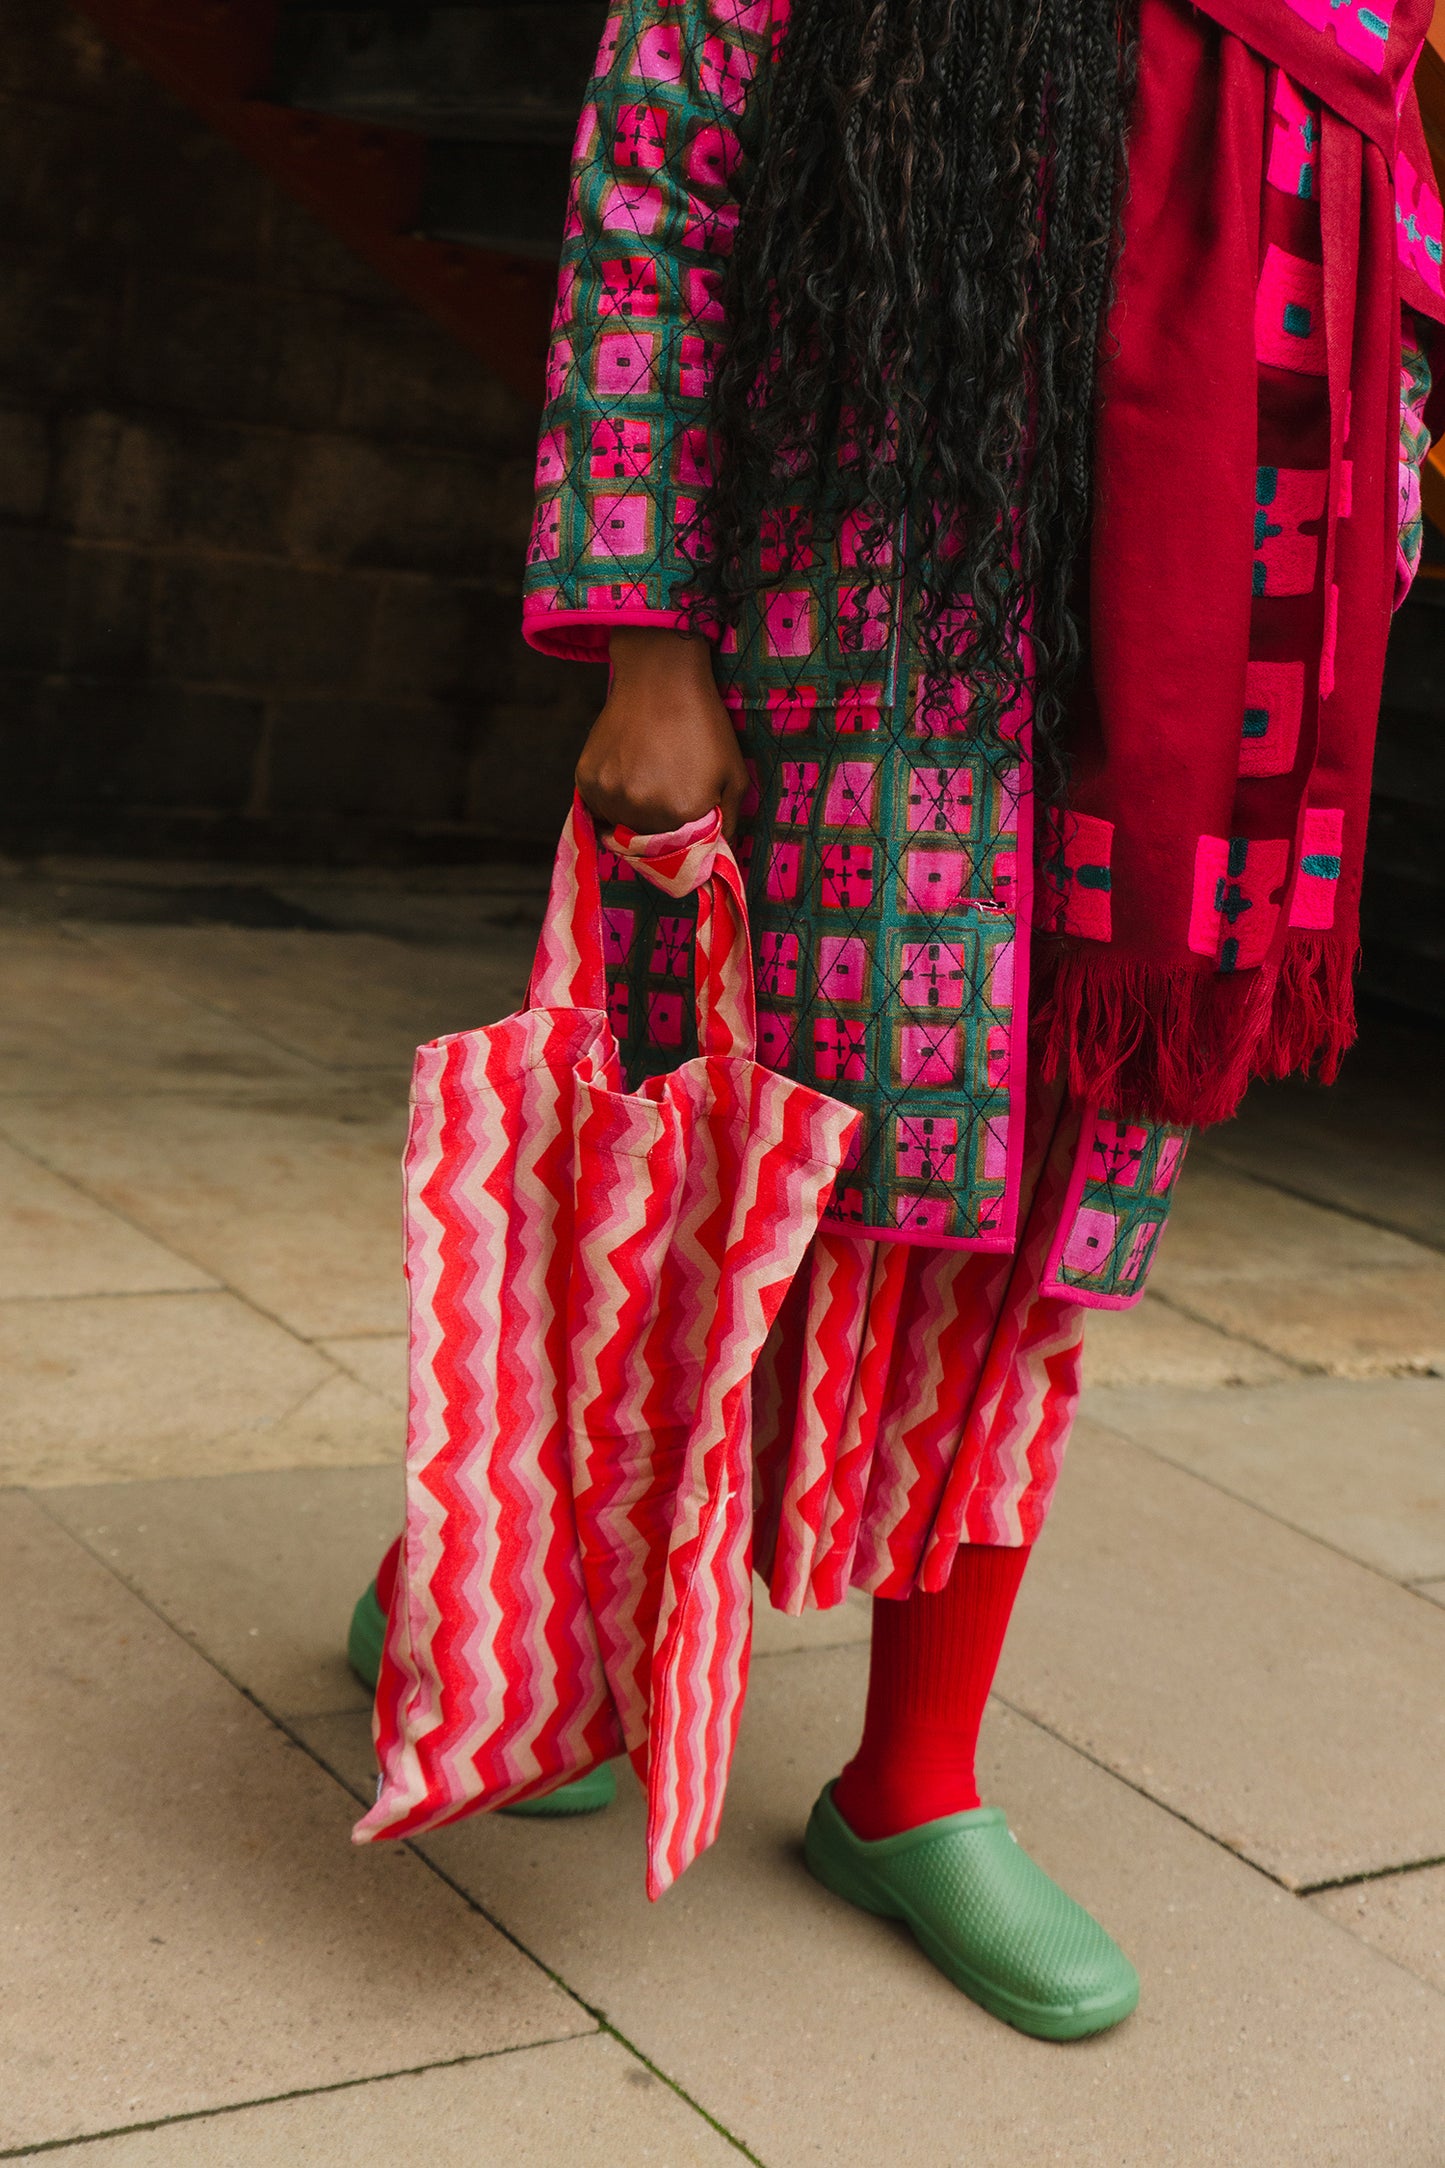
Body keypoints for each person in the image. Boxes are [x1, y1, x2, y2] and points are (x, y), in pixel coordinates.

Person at [351, 0, 1443, 2039]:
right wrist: (648, 650)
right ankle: (508, 1611)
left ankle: (910, 1779)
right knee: (699, 1168)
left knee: (1042, 1249)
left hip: (1178, 728)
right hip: (848, 640)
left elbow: (1396, 300)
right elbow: (648, 222)